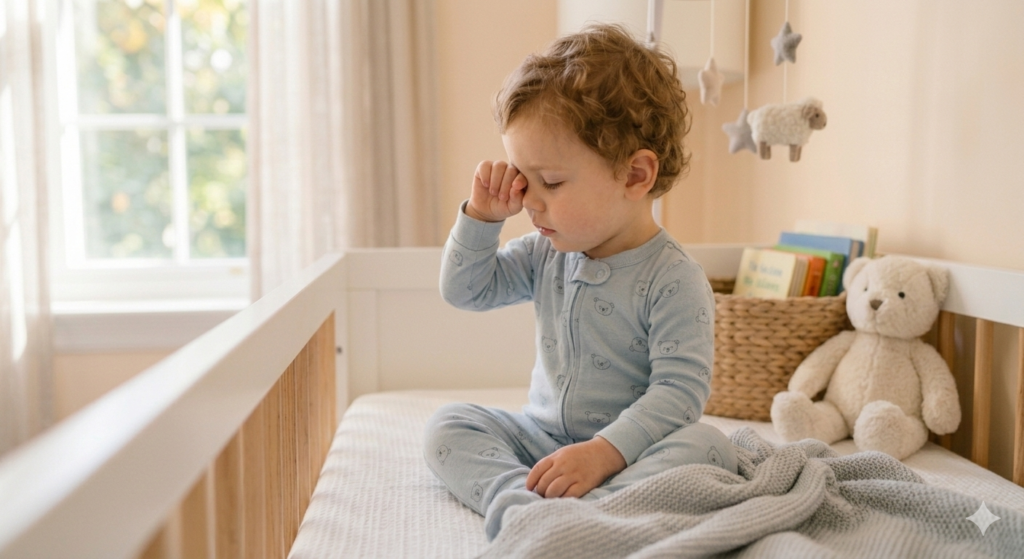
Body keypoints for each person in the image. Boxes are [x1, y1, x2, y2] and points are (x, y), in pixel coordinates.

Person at [423, 23, 738, 541]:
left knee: (708, 447)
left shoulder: (673, 277)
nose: (529, 201)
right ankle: (520, 505)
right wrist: (481, 218)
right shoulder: (545, 253)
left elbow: (679, 393)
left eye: (551, 182)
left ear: (635, 176)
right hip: (541, 441)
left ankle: (602, 510)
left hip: (628, 453)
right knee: (448, 427)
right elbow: (466, 289)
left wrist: (603, 454)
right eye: (525, 179)